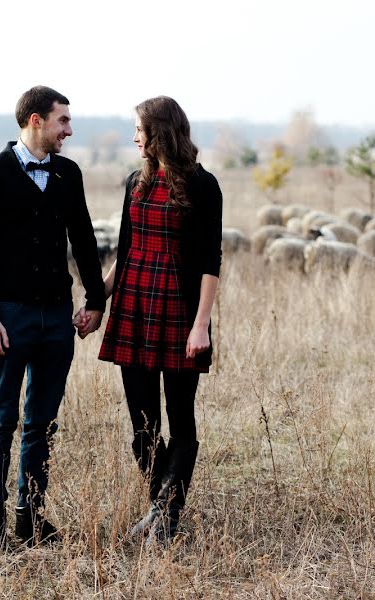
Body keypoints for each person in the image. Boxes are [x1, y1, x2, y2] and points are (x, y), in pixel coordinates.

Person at [0, 85, 105, 551]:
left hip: (56, 320)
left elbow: (84, 239)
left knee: (42, 421)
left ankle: (31, 517)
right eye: (63, 120)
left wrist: (95, 300)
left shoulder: (68, 173)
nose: (69, 129)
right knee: (1, 420)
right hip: (8, 317)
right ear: (36, 121)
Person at [93, 95, 222, 544]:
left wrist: (201, 325)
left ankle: (166, 518)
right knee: (142, 427)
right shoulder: (135, 182)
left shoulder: (203, 185)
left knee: (180, 419)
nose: (134, 137)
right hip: (134, 306)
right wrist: (95, 300)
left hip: (180, 312)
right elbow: (124, 250)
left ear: (160, 131)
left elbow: (210, 260)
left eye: (139, 129)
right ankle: (159, 504)